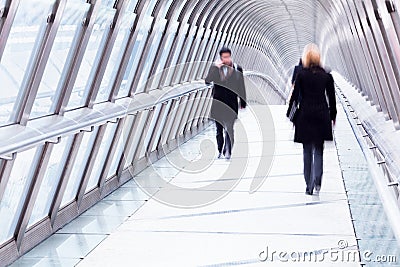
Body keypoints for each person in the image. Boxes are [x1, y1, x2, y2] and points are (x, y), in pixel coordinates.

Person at [286, 44, 337, 195]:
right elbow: (332, 99)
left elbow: (295, 97)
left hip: (305, 115)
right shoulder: (327, 76)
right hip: (321, 114)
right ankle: (318, 181)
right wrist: (333, 116)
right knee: (319, 150)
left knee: (307, 151)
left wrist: (290, 115)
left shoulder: (301, 75)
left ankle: (309, 185)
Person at [205, 47, 247, 160]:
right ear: (220, 57)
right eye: (224, 57)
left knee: (229, 129)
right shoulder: (215, 68)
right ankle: (220, 149)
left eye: (228, 57)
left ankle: (228, 151)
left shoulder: (237, 68)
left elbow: (241, 86)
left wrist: (243, 102)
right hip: (218, 104)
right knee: (219, 130)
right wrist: (215, 68)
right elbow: (207, 81)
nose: (226, 59)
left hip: (231, 104)